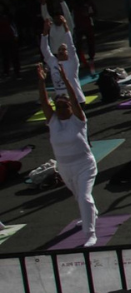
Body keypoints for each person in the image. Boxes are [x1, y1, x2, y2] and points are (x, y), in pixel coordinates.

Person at [36, 64, 98, 246]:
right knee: (79, 197)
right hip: (64, 167)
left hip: (84, 164)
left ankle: (90, 234)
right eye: (59, 107)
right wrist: (41, 81)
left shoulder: (78, 120)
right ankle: (91, 214)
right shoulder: (53, 121)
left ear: (72, 107)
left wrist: (65, 80)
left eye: (65, 107)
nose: (62, 110)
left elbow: (73, 98)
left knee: (85, 197)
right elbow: (44, 101)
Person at [39, 19, 86, 107]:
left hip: (77, 101)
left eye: (64, 49)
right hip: (62, 102)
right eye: (59, 49)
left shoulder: (72, 62)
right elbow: (44, 49)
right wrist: (45, 31)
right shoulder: (53, 62)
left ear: (69, 53)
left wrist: (65, 25)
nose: (60, 51)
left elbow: (71, 45)